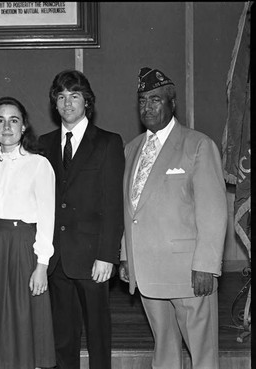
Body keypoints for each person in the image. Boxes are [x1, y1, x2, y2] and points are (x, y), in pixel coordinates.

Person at [119, 67, 227, 369]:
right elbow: (131, 209)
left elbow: (213, 211)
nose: (147, 107)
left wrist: (207, 266)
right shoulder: (132, 149)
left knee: (202, 354)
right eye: (142, 100)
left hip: (188, 274)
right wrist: (126, 255)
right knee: (163, 351)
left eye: (155, 100)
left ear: (171, 104)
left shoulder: (198, 145)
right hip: (148, 273)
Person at [39, 69, 125, 369]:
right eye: (61, 97)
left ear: (86, 101)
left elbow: (114, 205)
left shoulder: (108, 143)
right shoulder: (44, 144)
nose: (67, 103)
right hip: (57, 257)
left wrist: (107, 256)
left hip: (92, 259)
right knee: (63, 337)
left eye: (74, 96)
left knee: (98, 335)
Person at [0, 96, 57, 369]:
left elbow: (46, 218)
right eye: (0, 120)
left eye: (13, 120)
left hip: (23, 248)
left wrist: (42, 265)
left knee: (22, 317)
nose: (7, 127)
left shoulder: (39, 165)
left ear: (24, 127)